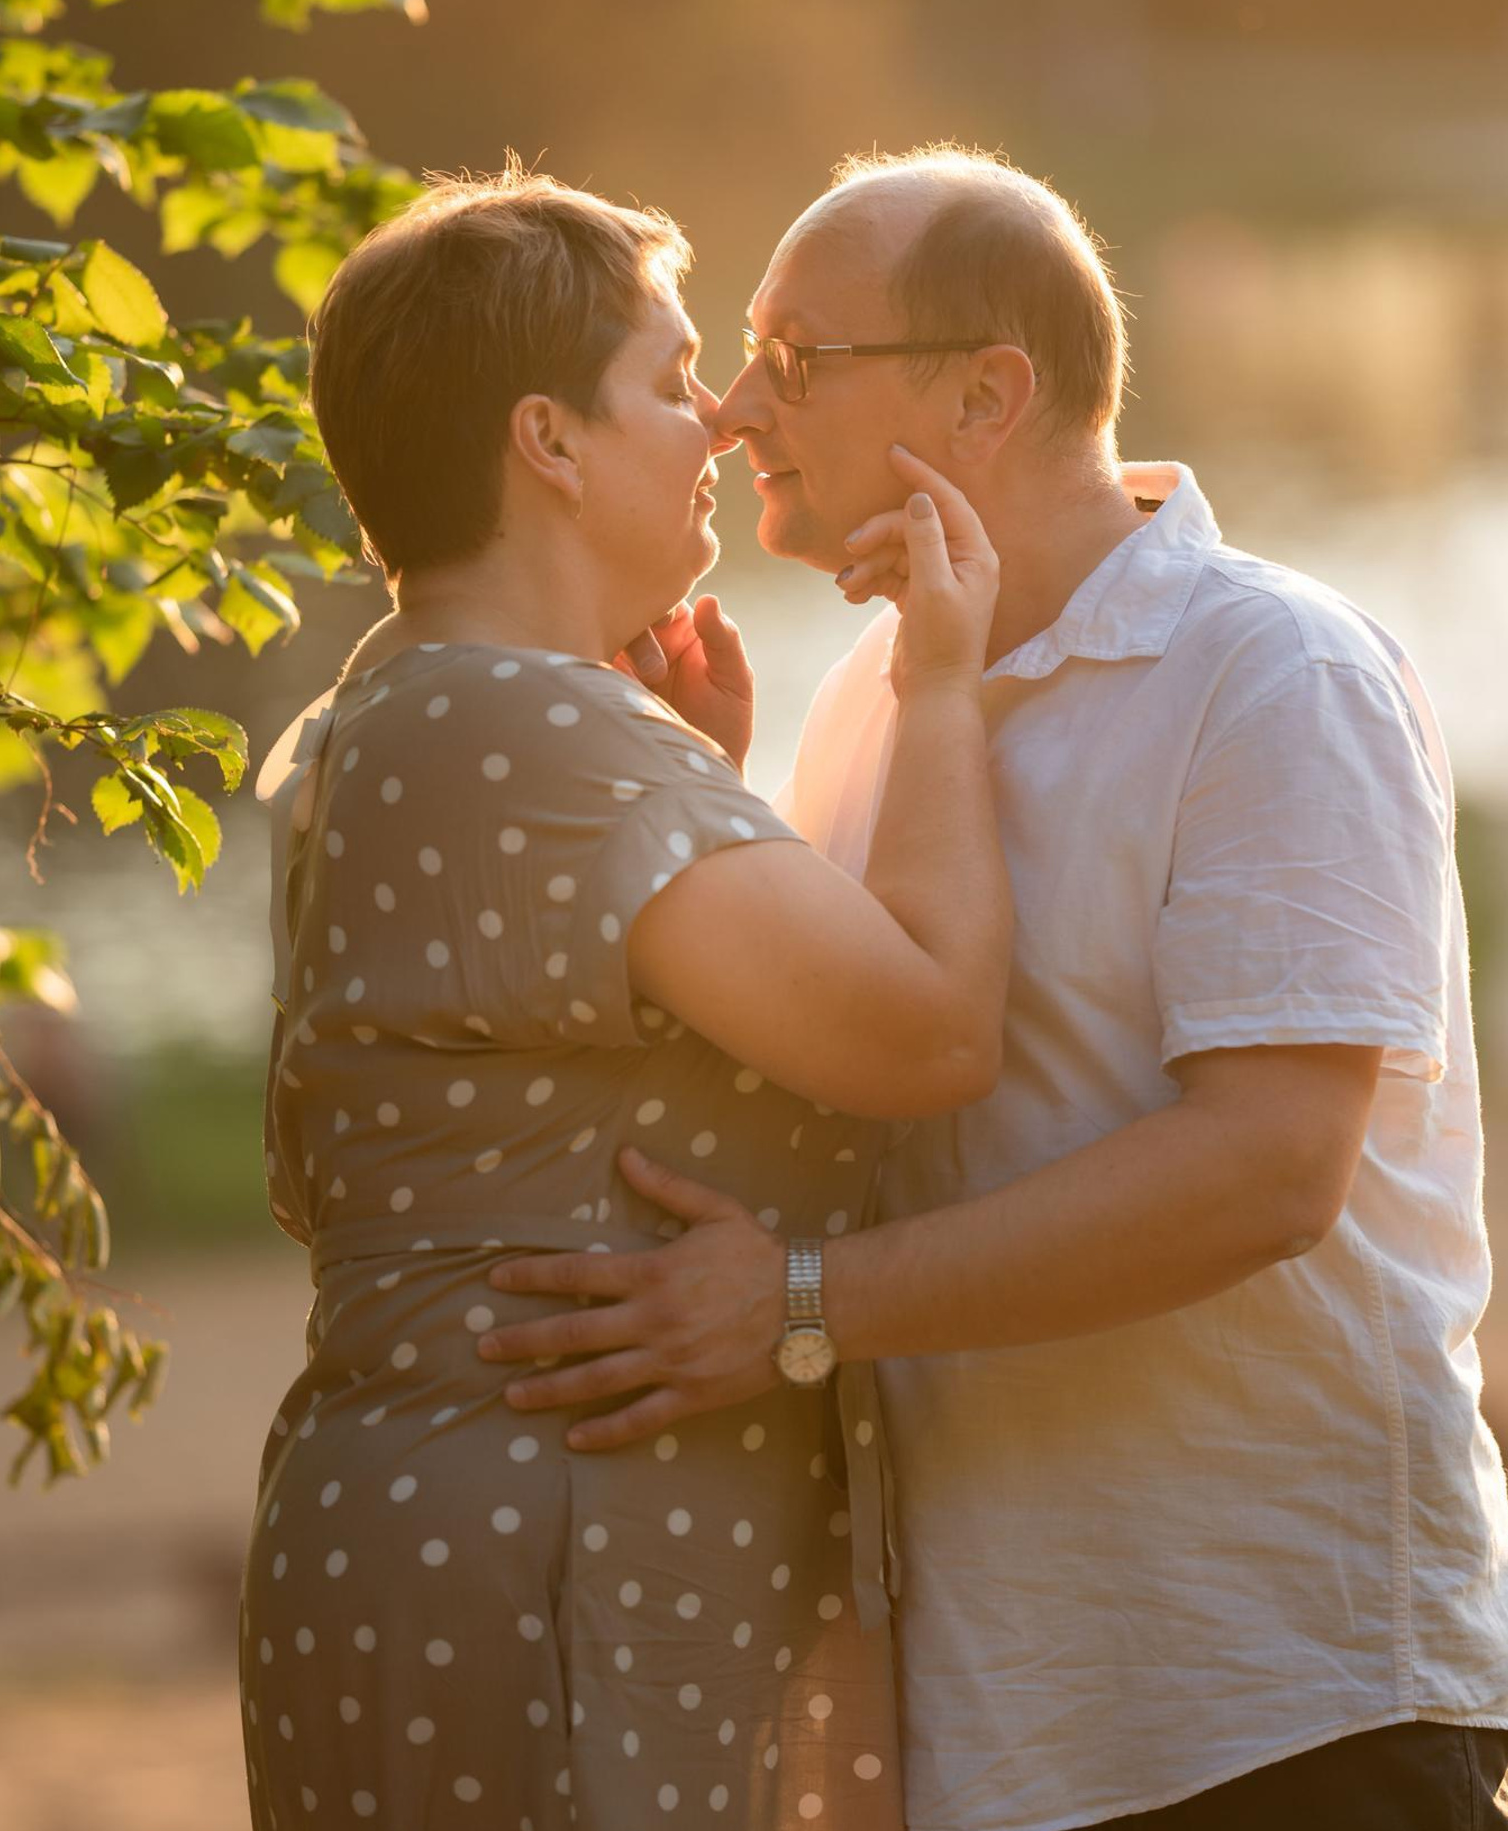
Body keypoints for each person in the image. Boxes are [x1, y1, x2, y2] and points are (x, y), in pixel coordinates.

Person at [482, 147, 1508, 1830]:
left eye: (797, 357)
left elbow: (1269, 1172)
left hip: (1290, 1694)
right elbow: (856, 1106)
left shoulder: (1270, 670)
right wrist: (707, 807)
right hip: (1005, 1728)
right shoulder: (872, 691)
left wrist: (799, 1307)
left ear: (989, 393)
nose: (737, 412)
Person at [239, 162, 1015, 1830]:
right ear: (549, 443)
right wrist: (941, 684)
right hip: (556, 1555)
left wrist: (702, 779)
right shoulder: (543, 742)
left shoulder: (396, 714)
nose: (723, 424)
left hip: (446, 1532)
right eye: (670, 385)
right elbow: (935, 1034)